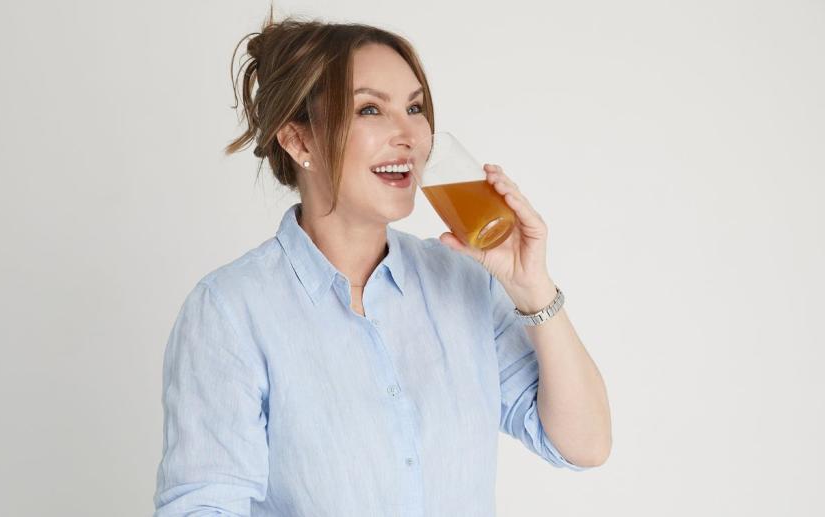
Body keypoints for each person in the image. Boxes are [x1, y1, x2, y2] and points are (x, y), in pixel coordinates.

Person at [154, 12, 611, 517]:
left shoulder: (462, 282)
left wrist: (533, 288)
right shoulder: (230, 311)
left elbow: (583, 445)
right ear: (298, 140)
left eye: (415, 108)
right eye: (370, 110)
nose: (410, 135)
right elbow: (201, 507)